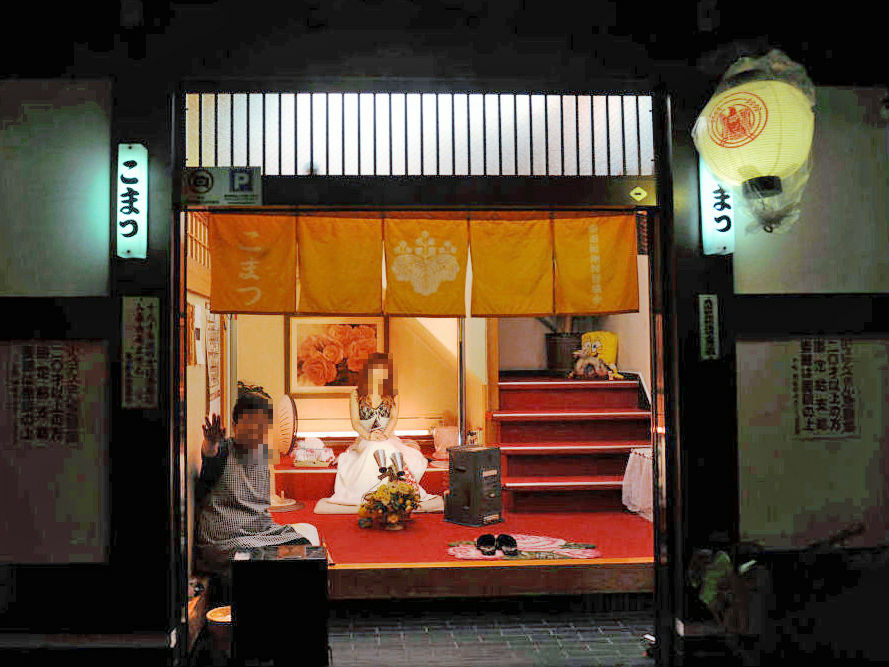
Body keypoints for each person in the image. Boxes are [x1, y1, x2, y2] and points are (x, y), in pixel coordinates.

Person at [195, 391, 318, 603]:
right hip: (226, 539)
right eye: (250, 423)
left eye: (262, 425)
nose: (256, 431)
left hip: (259, 531)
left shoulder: (262, 455)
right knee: (254, 563)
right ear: (235, 425)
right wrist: (211, 444)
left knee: (304, 548)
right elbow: (210, 462)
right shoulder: (224, 451)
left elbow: (262, 508)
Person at [317, 353, 442, 512]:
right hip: (364, 438)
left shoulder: (393, 393)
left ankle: (398, 490)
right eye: (376, 369)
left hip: (387, 437)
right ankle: (369, 492)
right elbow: (355, 422)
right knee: (372, 447)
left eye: (383, 370)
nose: (379, 373)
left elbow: (394, 419)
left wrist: (385, 434)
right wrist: (369, 436)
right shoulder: (356, 394)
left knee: (384, 446)